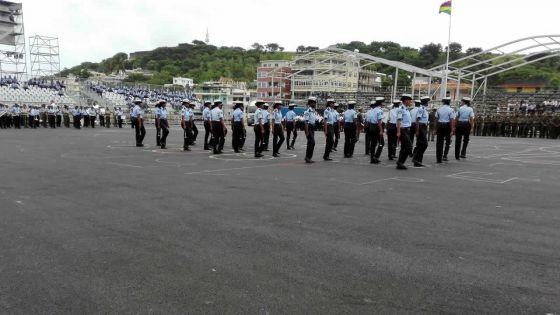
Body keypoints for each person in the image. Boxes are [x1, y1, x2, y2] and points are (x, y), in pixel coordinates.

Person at [396, 94, 414, 170]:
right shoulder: (401, 109)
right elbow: (398, 120)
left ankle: (400, 163)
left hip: (407, 129)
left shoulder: (406, 109)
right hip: (403, 130)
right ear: (405, 100)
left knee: (403, 147)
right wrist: (398, 131)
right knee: (409, 146)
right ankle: (400, 162)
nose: (410, 101)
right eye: (409, 100)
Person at [435, 97, 455, 163]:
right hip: (447, 125)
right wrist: (452, 130)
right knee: (448, 141)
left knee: (439, 142)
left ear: (443, 102)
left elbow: (436, 119)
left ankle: (438, 158)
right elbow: (451, 120)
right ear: (449, 102)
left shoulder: (439, 109)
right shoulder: (451, 110)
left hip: (440, 125)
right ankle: (445, 155)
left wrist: (436, 128)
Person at [365, 97, 385, 164]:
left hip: (371, 126)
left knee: (373, 144)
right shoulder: (379, 110)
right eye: (383, 102)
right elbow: (379, 121)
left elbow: (369, 120)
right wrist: (381, 130)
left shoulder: (372, 110)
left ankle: (372, 158)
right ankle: (376, 157)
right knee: (381, 143)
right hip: (376, 127)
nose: (383, 103)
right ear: (381, 103)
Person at [412, 96, 430, 167]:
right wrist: (417, 130)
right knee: (424, 144)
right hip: (421, 126)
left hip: (423, 126)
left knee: (420, 144)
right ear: (425, 102)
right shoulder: (421, 109)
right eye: (427, 101)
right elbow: (417, 119)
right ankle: (416, 158)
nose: (428, 103)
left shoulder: (424, 109)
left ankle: (418, 161)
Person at [304, 97, 318, 163]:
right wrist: (306, 132)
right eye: (314, 102)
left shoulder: (314, 111)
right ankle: (308, 157)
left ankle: (308, 158)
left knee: (310, 143)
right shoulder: (307, 111)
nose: (315, 104)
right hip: (308, 127)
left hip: (312, 127)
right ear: (311, 103)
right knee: (312, 142)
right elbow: (306, 122)